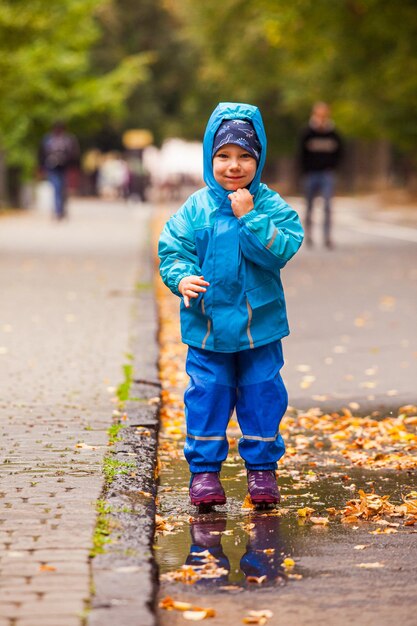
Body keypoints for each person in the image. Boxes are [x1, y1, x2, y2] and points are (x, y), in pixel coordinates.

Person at [158, 102, 304, 507]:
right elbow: (174, 249)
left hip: (260, 328)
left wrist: (250, 217)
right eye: (223, 156)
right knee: (207, 397)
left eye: (245, 156)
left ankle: (262, 473)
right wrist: (180, 276)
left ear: (259, 160)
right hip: (207, 327)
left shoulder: (271, 206)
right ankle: (204, 474)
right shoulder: (196, 208)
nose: (233, 166)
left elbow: (280, 251)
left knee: (262, 396)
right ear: (210, 157)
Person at [298, 102, 343, 248]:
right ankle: (308, 235)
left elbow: (340, 153)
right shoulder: (307, 132)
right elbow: (300, 154)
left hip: (326, 174)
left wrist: (333, 167)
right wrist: (304, 171)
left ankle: (327, 236)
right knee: (309, 205)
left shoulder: (334, 134)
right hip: (311, 174)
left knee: (327, 206)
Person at [38, 121, 80, 219]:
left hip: (65, 167)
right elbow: (41, 153)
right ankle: (58, 210)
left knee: (63, 188)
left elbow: (74, 154)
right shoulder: (48, 139)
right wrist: (41, 166)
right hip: (52, 167)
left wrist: (74, 167)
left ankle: (61, 208)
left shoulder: (68, 139)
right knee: (57, 187)